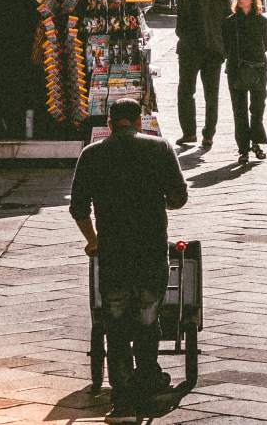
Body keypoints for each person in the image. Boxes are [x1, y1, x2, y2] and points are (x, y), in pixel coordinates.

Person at [70, 98, 188, 408]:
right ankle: (147, 378)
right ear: (139, 121)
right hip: (150, 251)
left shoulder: (92, 154)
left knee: (115, 321)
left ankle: (121, 387)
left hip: (113, 253)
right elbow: (178, 197)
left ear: (109, 124)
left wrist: (92, 239)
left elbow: (78, 208)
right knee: (148, 320)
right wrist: (159, 201)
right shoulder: (159, 148)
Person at [173, 0, 229, 151]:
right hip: (215, 48)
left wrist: (182, 36)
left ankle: (189, 132)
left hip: (191, 48)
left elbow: (182, 17)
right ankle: (208, 135)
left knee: (186, 91)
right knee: (211, 94)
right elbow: (227, 18)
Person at [222, 0, 267, 163]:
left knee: (257, 109)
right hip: (236, 68)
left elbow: (265, 45)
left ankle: (256, 142)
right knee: (239, 110)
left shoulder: (261, 20)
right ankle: (243, 148)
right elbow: (226, 45)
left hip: (258, 68)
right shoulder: (230, 22)